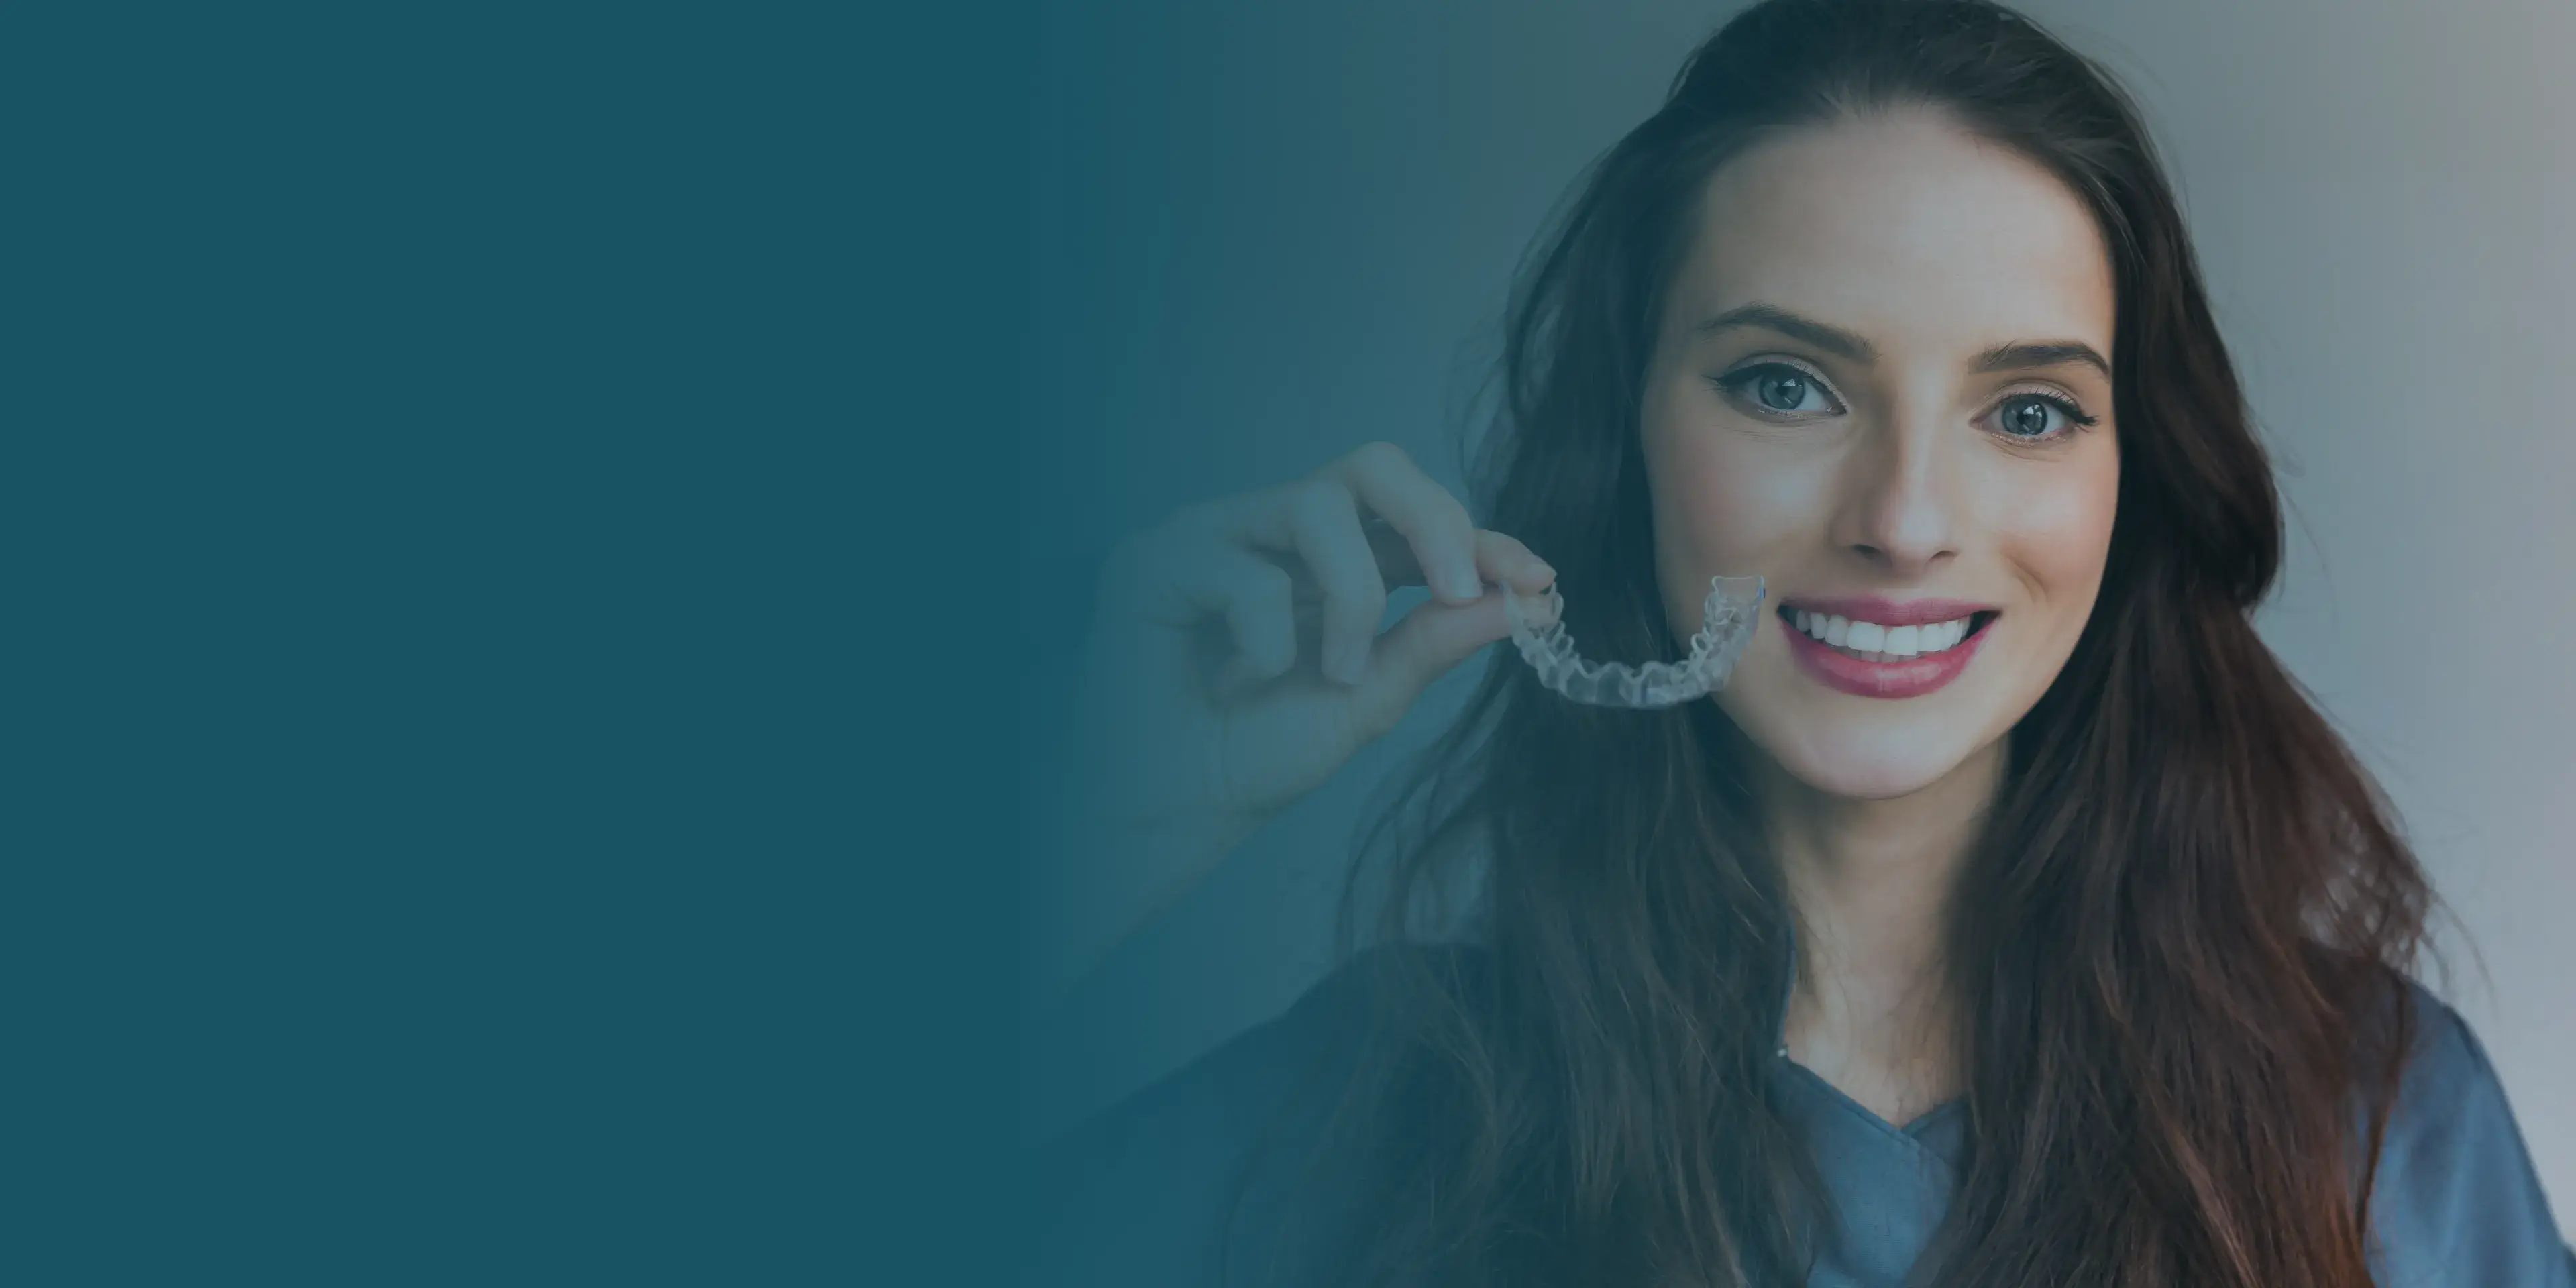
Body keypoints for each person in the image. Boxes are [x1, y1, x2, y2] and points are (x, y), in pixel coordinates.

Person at [1030, 1, 2576, 1284]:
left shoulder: (2390, 1128)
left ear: (2136, 482)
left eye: (2028, 411)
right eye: (1786, 385)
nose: (1903, 519)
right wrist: (1095, 832)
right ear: (1627, 440)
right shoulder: (1359, 1124)